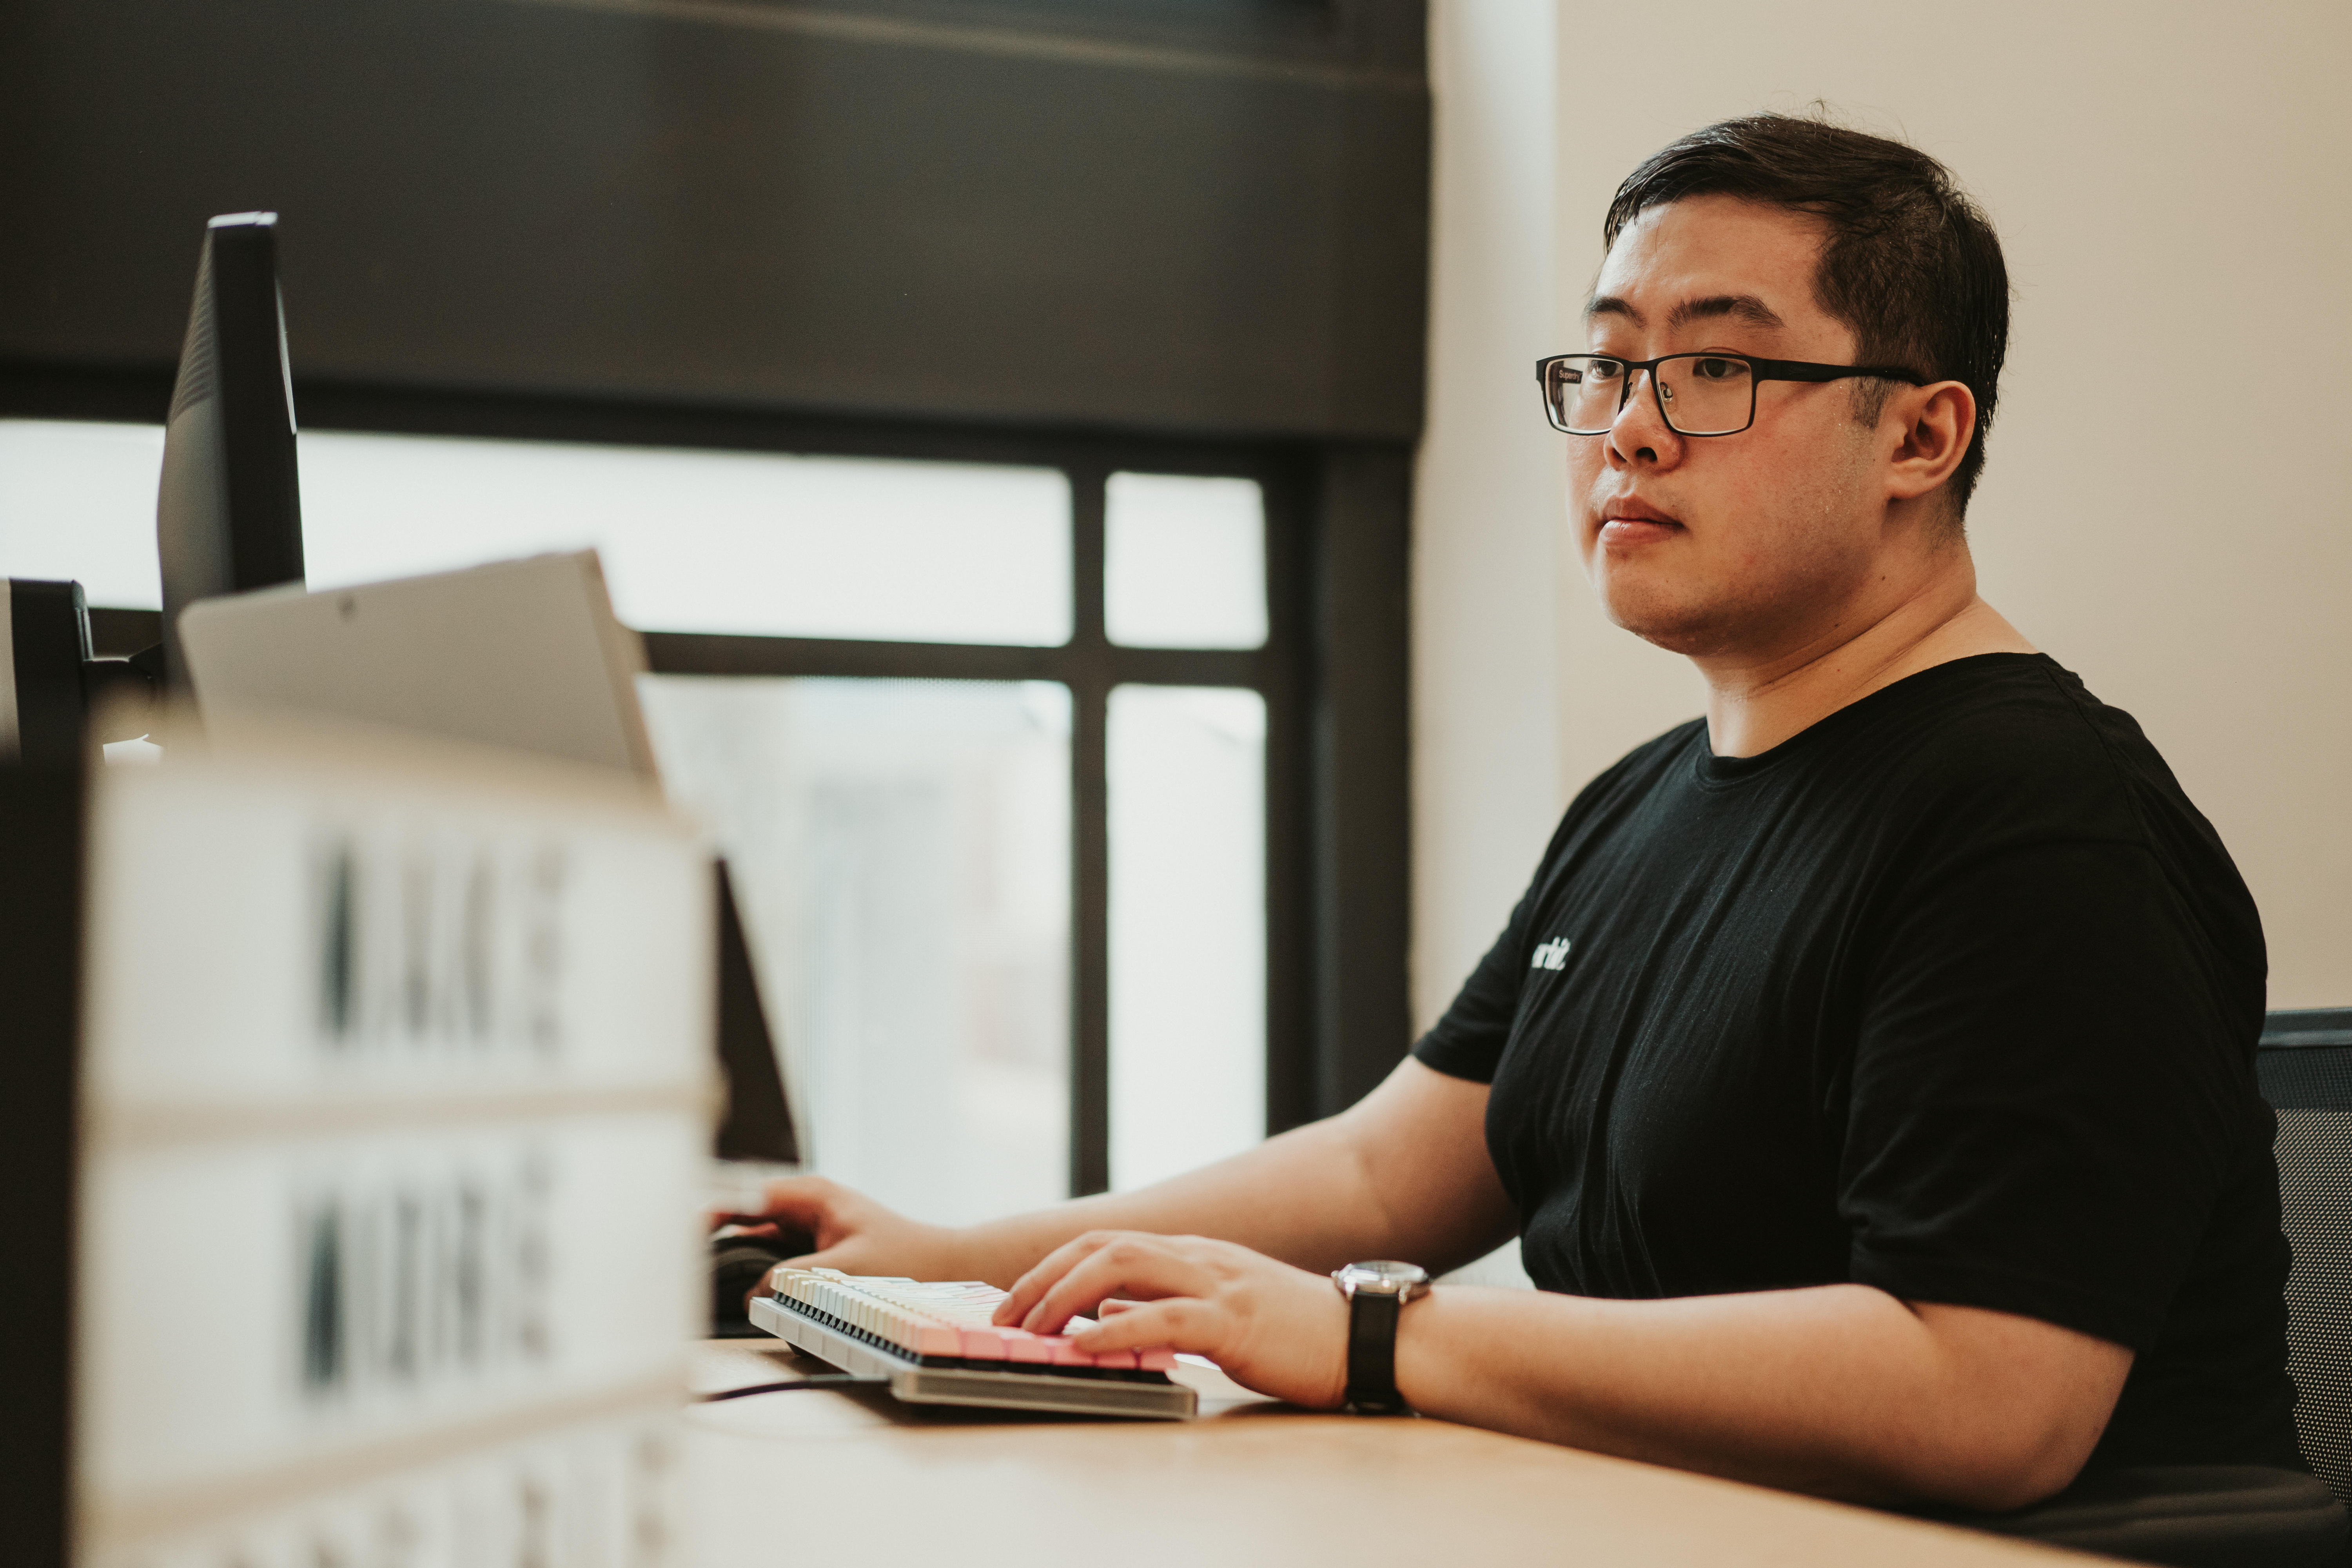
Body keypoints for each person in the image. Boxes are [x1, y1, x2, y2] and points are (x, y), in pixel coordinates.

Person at [728, 114, 2301, 1511]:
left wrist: (1367, 1333)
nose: (1629, 424)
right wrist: (943, 1256)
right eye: (1610, 362)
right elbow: (1379, 1178)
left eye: (1715, 366)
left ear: (1919, 435)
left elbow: (1987, 1397)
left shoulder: (2041, 821)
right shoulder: (1642, 804)